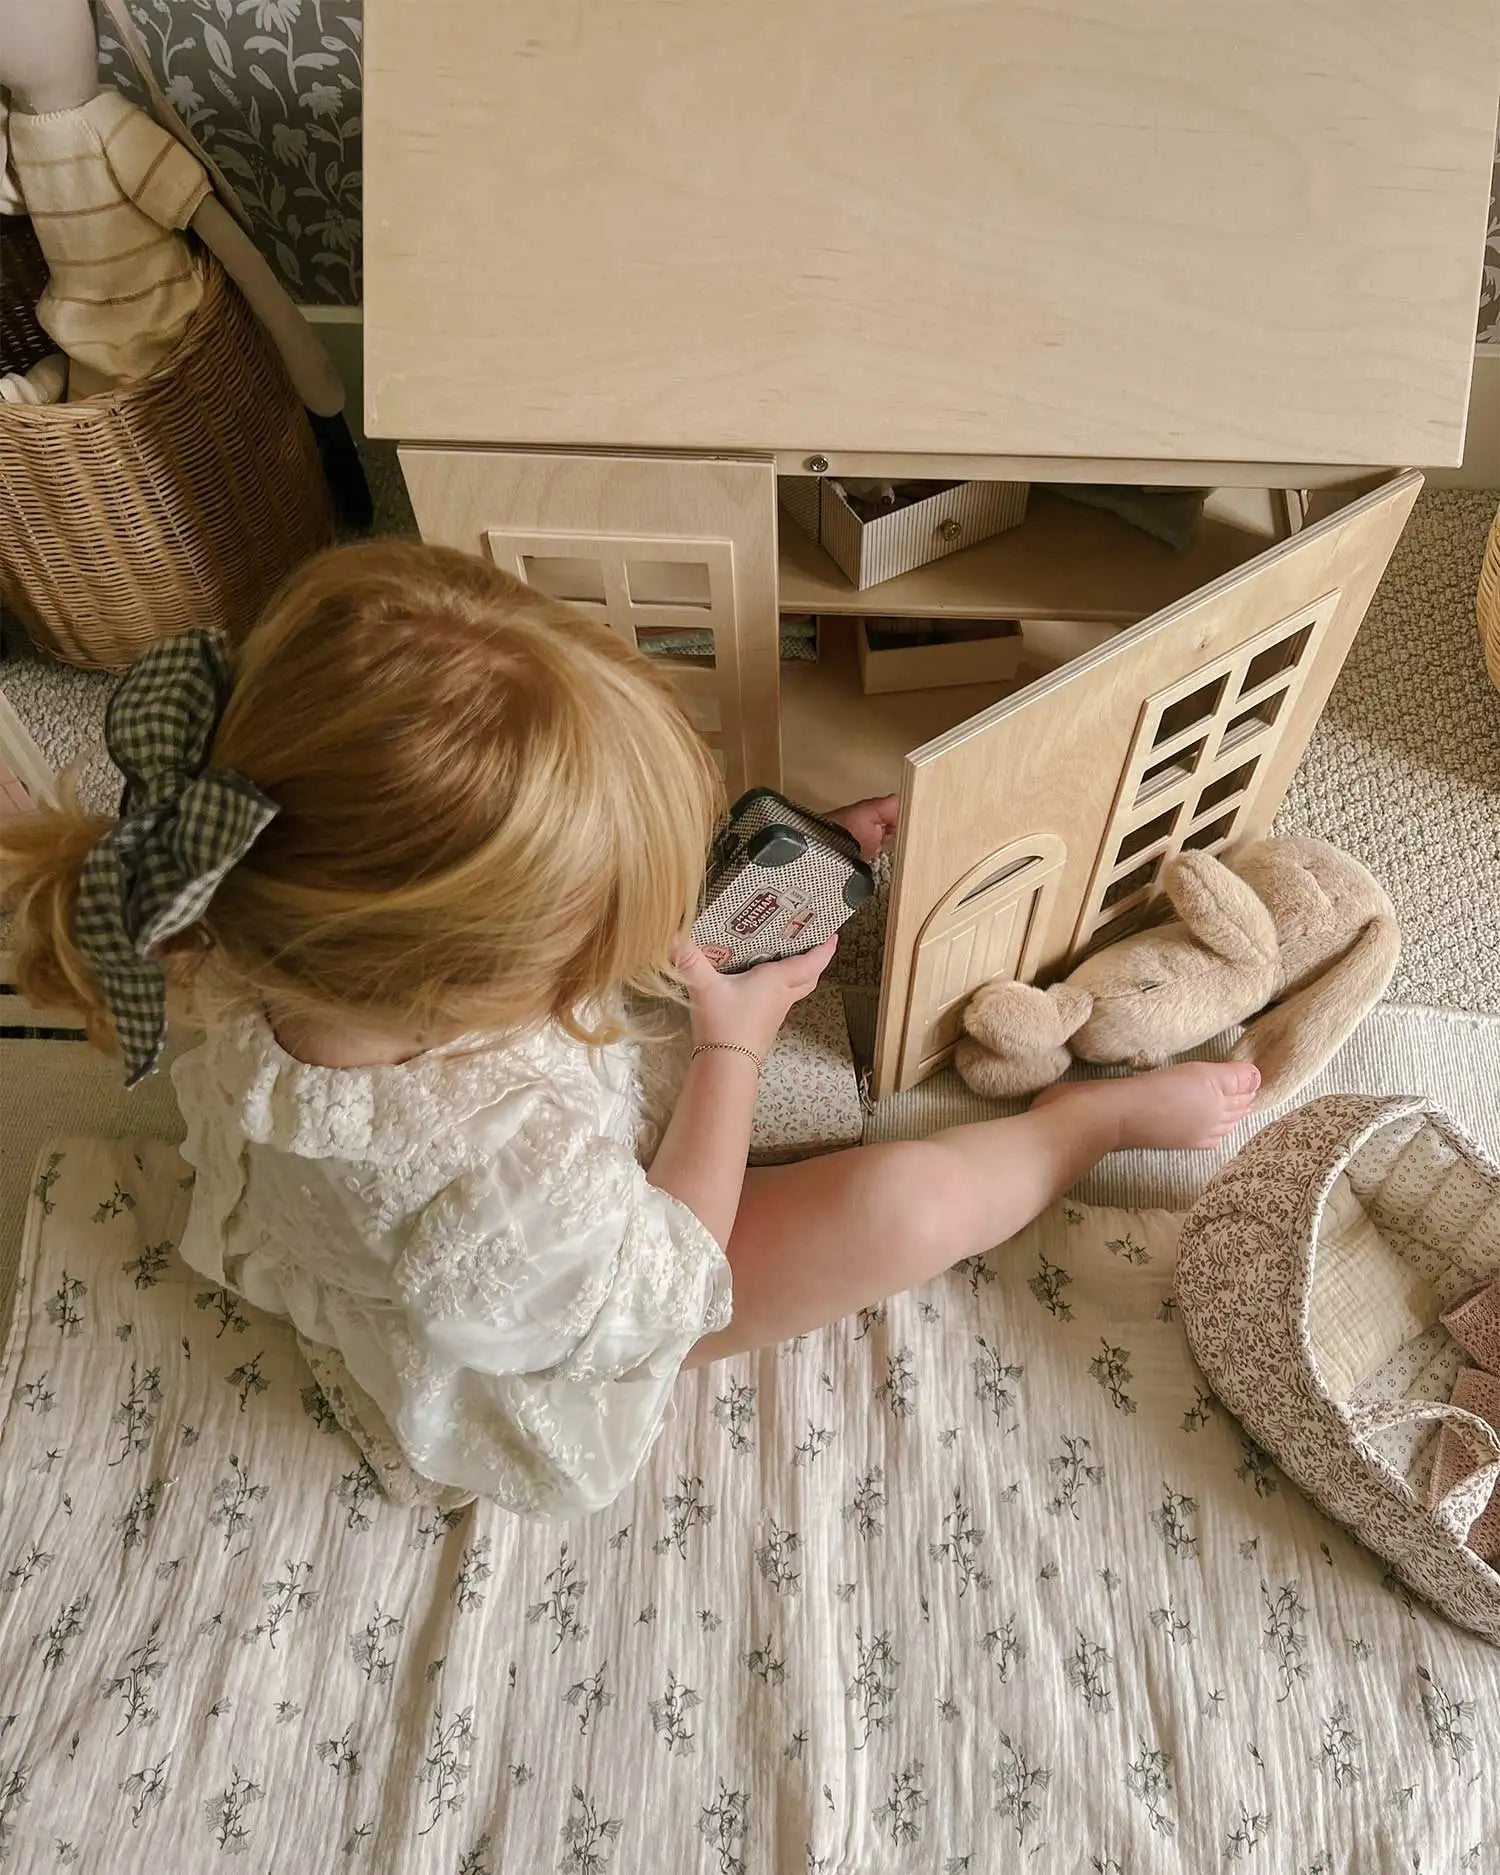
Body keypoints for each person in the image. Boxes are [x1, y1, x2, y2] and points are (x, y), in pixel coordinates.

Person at [0, 542, 1258, 1517]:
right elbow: (669, 1274)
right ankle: (1076, 1131)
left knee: (703, 960)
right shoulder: (499, 1185)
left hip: (451, 1229)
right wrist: (734, 1049)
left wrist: (743, 889)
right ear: (482, 985)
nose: (635, 928)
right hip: (559, 1315)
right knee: (912, 1205)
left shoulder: (233, 923)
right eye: (598, 922)